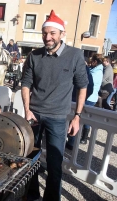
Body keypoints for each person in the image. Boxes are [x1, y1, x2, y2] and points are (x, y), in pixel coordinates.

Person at [21, 10, 88, 201]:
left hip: (58, 118)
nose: (48, 37)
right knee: (29, 159)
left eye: (52, 33)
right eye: (45, 33)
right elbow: (26, 83)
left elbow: (82, 86)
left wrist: (77, 116)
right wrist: (26, 109)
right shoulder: (34, 56)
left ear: (61, 34)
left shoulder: (75, 55)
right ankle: (32, 196)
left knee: (55, 164)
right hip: (33, 116)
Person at [66, 54, 103, 149]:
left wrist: (81, 98)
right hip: (78, 99)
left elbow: (89, 87)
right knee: (77, 120)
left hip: (81, 99)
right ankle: (77, 139)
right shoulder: (91, 70)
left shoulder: (88, 71)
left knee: (76, 120)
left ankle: (73, 142)